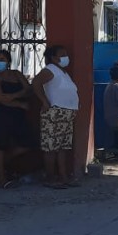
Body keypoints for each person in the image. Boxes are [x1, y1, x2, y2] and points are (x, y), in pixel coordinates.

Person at [0, 49, 35, 187]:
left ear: (8, 62)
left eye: (2, 59)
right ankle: (1, 178)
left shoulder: (16, 74)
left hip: (18, 115)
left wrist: (12, 97)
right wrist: (18, 99)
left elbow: (29, 90)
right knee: (1, 144)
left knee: (28, 142)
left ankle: (5, 161)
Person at [32, 45, 80, 188]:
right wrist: (44, 101)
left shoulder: (62, 72)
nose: (66, 57)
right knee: (51, 147)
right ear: (53, 58)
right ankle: (50, 178)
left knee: (62, 147)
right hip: (55, 112)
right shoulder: (50, 70)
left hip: (66, 114)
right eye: (62, 54)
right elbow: (36, 82)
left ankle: (63, 177)